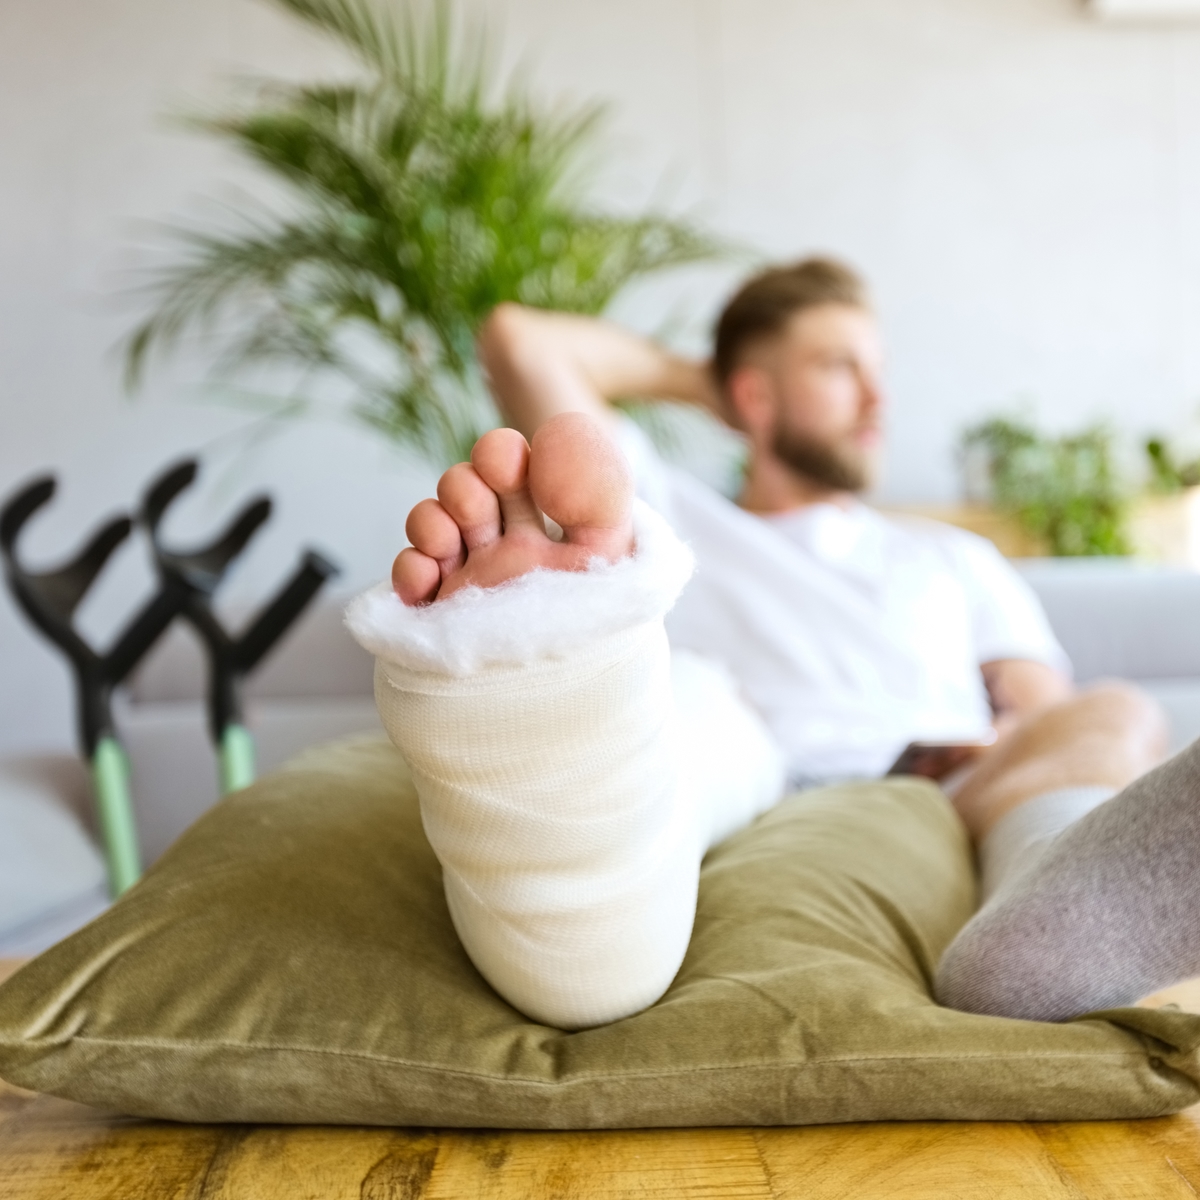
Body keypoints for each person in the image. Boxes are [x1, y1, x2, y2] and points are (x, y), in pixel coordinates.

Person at [347, 258, 1198, 1032]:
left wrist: (1001, 740)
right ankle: (563, 786)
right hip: (754, 761)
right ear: (753, 396)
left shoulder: (952, 557)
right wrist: (707, 383)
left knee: (1114, 712)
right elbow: (517, 340)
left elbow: (1042, 712)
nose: (877, 399)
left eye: (877, 371)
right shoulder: (669, 517)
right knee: (694, 696)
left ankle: (1044, 930)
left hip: (953, 787)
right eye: (839, 368)